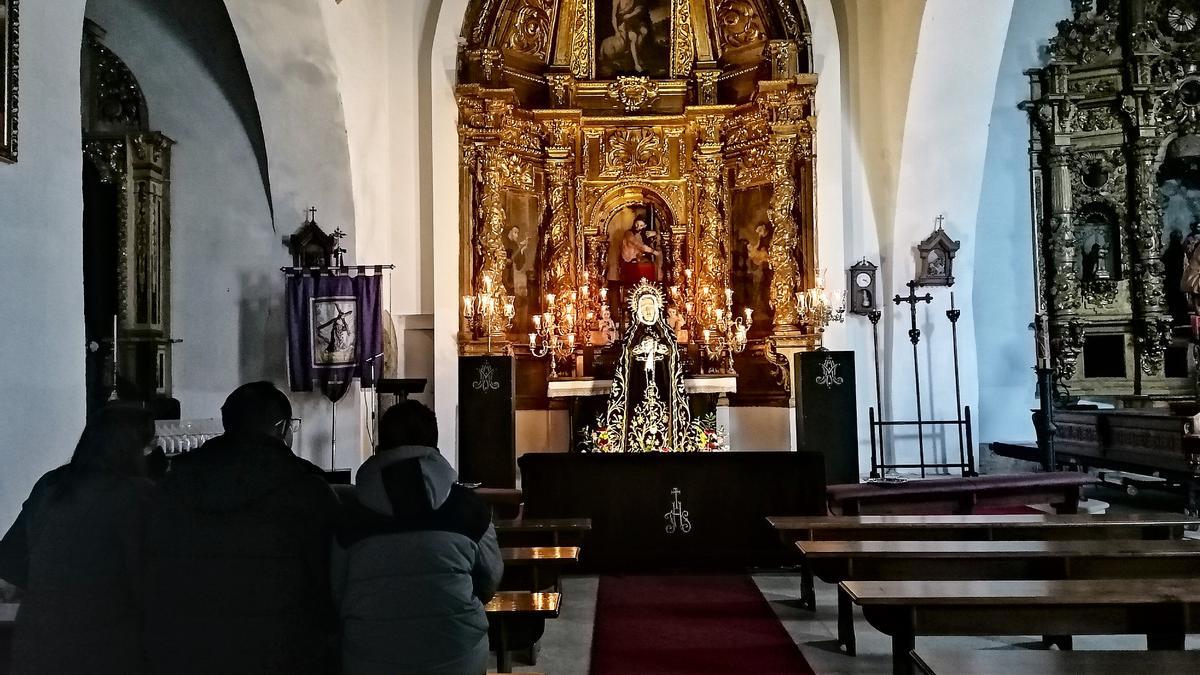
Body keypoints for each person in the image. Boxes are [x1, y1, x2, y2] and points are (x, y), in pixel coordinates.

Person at [142, 381, 339, 675]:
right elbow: (329, 578)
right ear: (283, 428)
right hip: (281, 646)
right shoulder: (308, 489)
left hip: (191, 643)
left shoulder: (175, 481)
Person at [332, 400, 503, 675]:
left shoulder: (351, 511)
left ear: (380, 446)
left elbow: (337, 589)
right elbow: (491, 579)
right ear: (434, 445)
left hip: (371, 658)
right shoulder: (467, 507)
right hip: (458, 656)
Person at [0, 403, 156, 675]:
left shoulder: (52, 484)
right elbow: (147, 575)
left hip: (39, 635)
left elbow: (12, 563)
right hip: (107, 638)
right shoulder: (138, 495)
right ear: (139, 447)